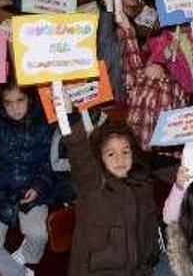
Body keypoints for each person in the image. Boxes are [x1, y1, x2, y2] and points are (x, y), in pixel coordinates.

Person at [64, 118, 160, 276]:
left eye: (125, 152)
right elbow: (80, 156)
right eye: (111, 154)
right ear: (99, 158)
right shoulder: (92, 186)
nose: (119, 159)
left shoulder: (142, 186)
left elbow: (149, 232)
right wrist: (70, 117)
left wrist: (149, 263)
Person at [0, 84, 53, 276]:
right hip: (1, 191)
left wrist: (39, 186)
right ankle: (19, 274)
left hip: (32, 188)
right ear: (2, 105)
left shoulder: (43, 124)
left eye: (20, 101)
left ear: (30, 100)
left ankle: (28, 255)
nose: (14, 108)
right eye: (8, 103)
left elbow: (50, 163)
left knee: (39, 234)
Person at [116, 9, 189, 150]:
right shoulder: (138, 79)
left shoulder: (175, 87)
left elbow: (182, 120)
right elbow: (131, 55)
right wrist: (127, 27)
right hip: (136, 151)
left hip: (165, 152)